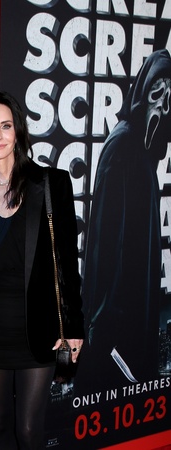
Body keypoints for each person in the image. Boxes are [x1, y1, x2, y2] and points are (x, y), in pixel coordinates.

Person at [0, 90, 84, 449]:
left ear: (18, 131)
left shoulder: (50, 183)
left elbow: (68, 262)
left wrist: (73, 326)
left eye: (6, 126)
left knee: (29, 431)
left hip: (40, 328)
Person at [81, 49, 171, 385]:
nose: (163, 106)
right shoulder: (123, 145)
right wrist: (104, 323)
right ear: (143, 92)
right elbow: (105, 243)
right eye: (157, 93)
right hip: (117, 321)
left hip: (133, 309)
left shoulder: (142, 150)